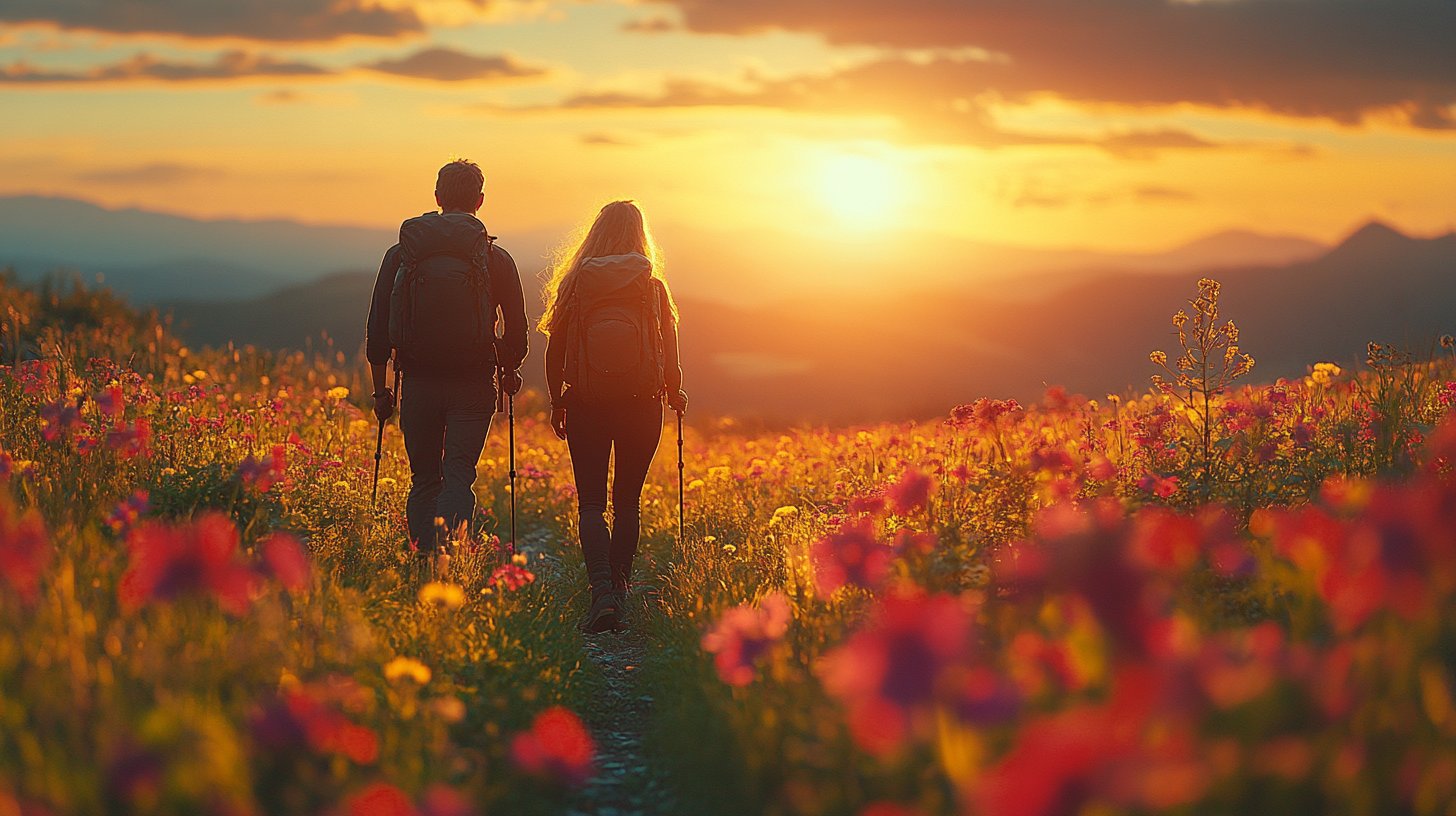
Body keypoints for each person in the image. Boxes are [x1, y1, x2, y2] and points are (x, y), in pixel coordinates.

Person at [365, 159, 528, 567]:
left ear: (437, 197)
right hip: (473, 382)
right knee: (458, 475)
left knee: (424, 478)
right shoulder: (495, 258)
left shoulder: (402, 254)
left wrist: (381, 388)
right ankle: (450, 561)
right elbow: (518, 330)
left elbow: (378, 325)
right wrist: (509, 367)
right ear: (480, 200)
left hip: (418, 380)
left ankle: (422, 564)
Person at [540, 200, 686, 633]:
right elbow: (670, 351)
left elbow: (554, 349)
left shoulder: (576, 284)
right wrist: (674, 391)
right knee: (627, 504)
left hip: (586, 402)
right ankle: (619, 592)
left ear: (596, 233)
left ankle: (600, 591)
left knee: (590, 504)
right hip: (642, 403)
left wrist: (557, 400)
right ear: (640, 235)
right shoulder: (652, 286)